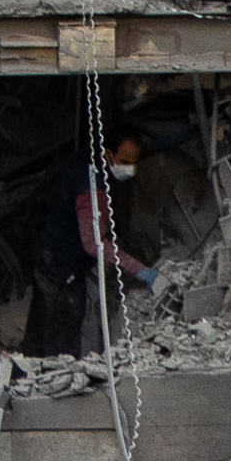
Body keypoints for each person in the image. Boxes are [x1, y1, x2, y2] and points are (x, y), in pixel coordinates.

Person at [25, 130, 151, 359]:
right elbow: (93, 244)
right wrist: (140, 269)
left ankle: (24, 371)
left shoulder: (92, 153)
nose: (129, 169)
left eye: (134, 162)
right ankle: (59, 381)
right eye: (125, 162)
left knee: (40, 321)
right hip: (60, 263)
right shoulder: (89, 187)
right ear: (109, 154)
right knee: (65, 327)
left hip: (49, 248)